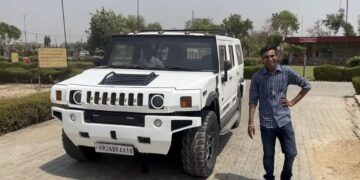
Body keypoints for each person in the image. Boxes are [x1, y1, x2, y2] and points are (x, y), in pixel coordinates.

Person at [248, 45, 311, 180]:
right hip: (266, 124)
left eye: (272, 56)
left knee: (291, 153)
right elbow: (253, 100)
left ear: (277, 56)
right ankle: (269, 177)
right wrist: (250, 122)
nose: (270, 59)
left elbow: (306, 85)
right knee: (268, 155)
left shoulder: (286, 72)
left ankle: (285, 177)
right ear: (262, 60)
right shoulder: (257, 77)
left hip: (284, 122)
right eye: (266, 57)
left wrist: (292, 102)